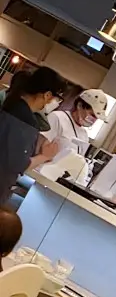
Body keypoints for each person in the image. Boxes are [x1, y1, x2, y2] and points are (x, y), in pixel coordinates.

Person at [0, 65, 63, 204]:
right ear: (47, 95)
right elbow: (18, 165)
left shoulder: (10, 104)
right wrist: (45, 156)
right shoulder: (25, 121)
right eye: (56, 99)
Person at [44, 87, 109, 171]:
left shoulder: (84, 134)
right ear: (80, 105)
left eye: (97, 118)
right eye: (92, 115)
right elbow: (39, 147)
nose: (93, 120)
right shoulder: (57, 117)